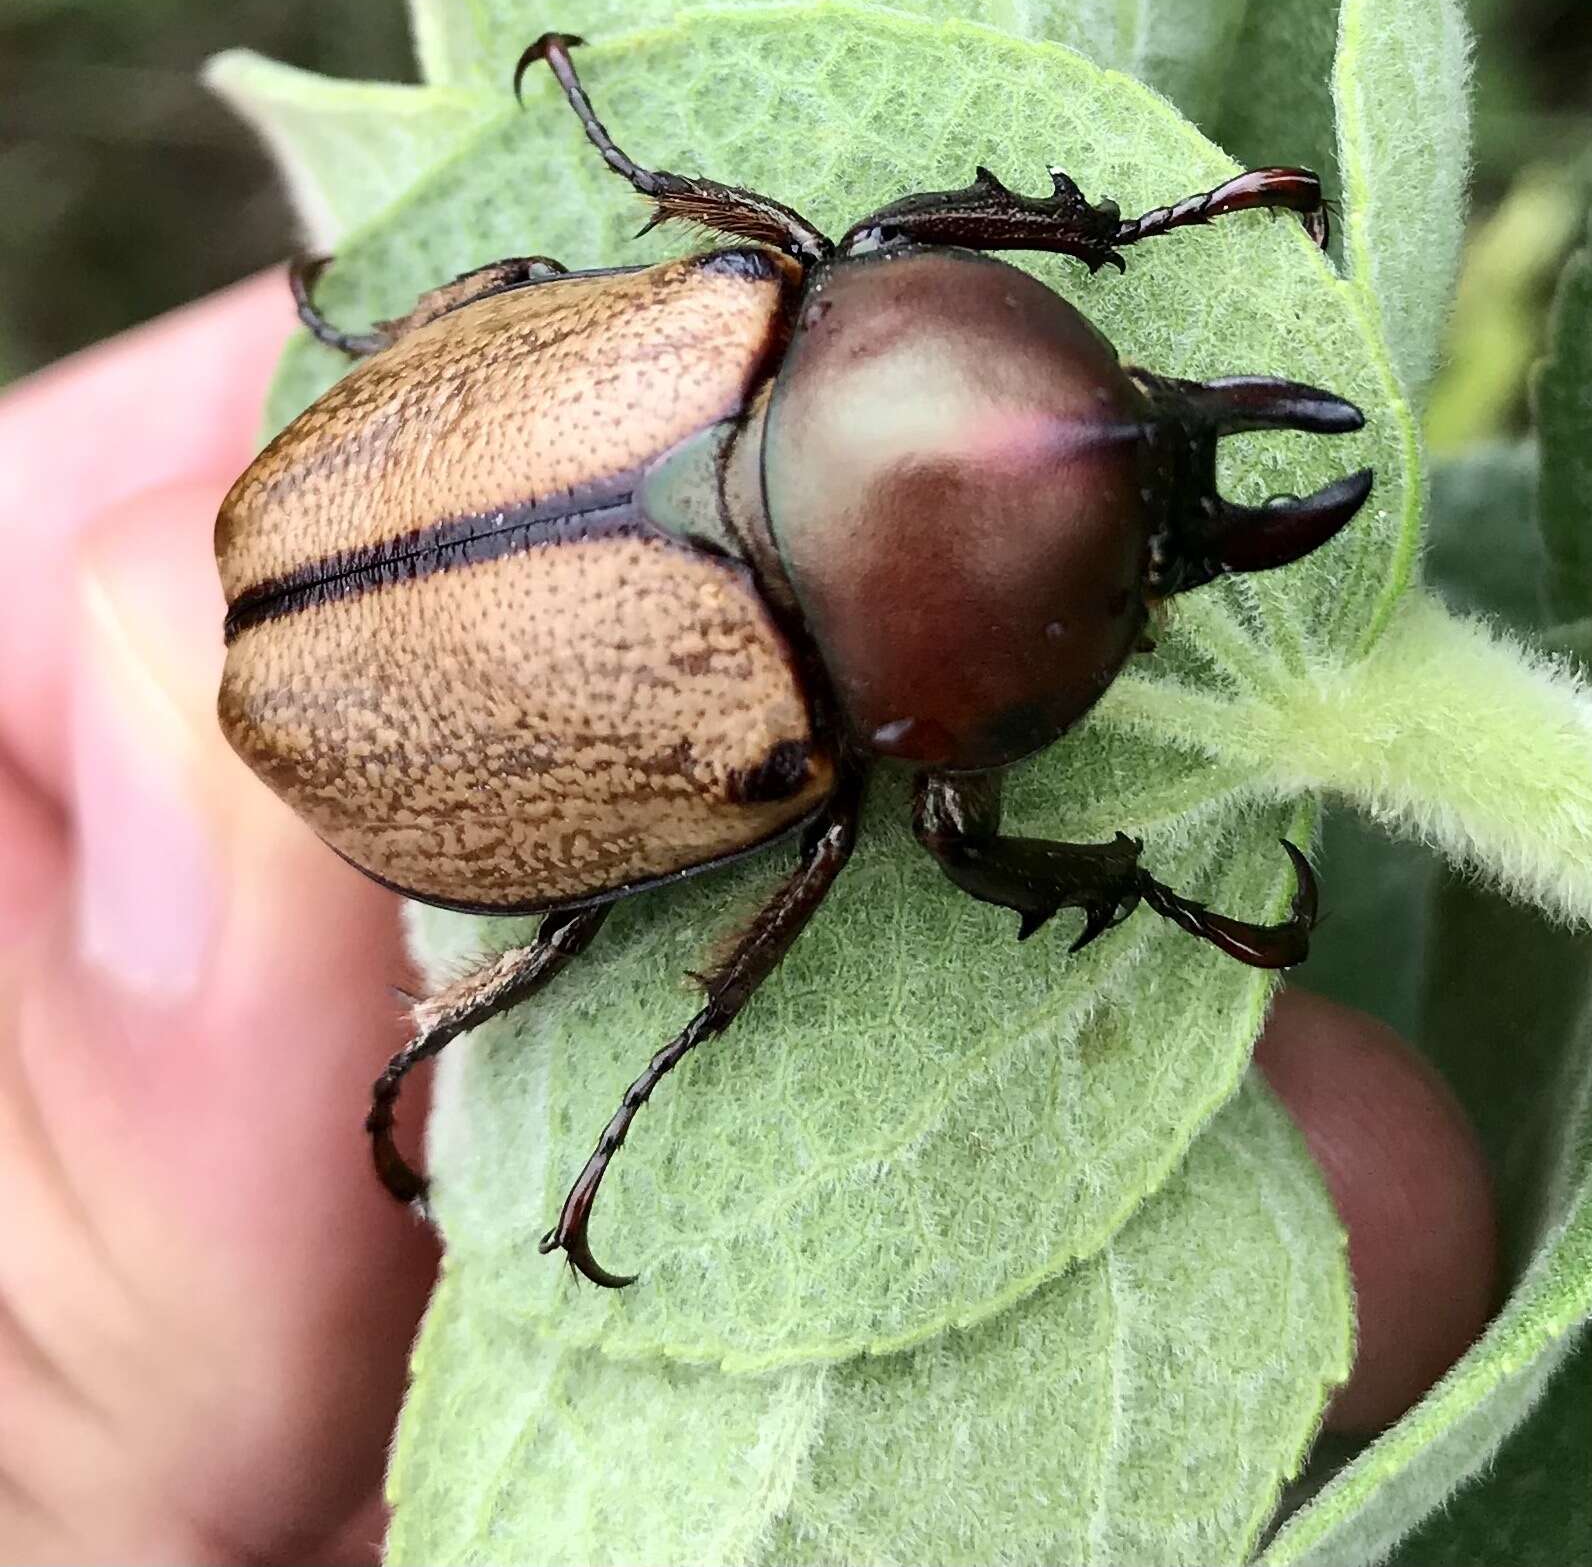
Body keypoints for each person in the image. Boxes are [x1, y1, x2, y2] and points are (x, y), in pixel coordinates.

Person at [0, 273, 1498, 1564]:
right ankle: (498, 1018)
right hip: (374, 683)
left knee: (731, 852)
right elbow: (971, 852)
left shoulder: (748, 294)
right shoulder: (757, 333)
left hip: (370, 485)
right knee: (626, 909)